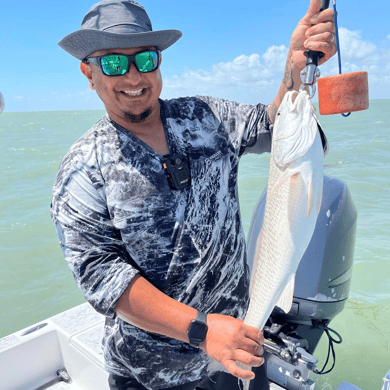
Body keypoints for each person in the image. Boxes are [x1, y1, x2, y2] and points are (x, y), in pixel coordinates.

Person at [51, 1, 336, 389]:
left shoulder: (205, 117)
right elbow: (105, 279)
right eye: (114, 63)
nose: (134, 75)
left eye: (146, 59)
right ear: (89, 72)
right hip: (153, 373)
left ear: (159, 62)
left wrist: (297, 64)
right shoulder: (82, 168)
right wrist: (203, 331)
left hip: (237, 349)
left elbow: (273, 124)